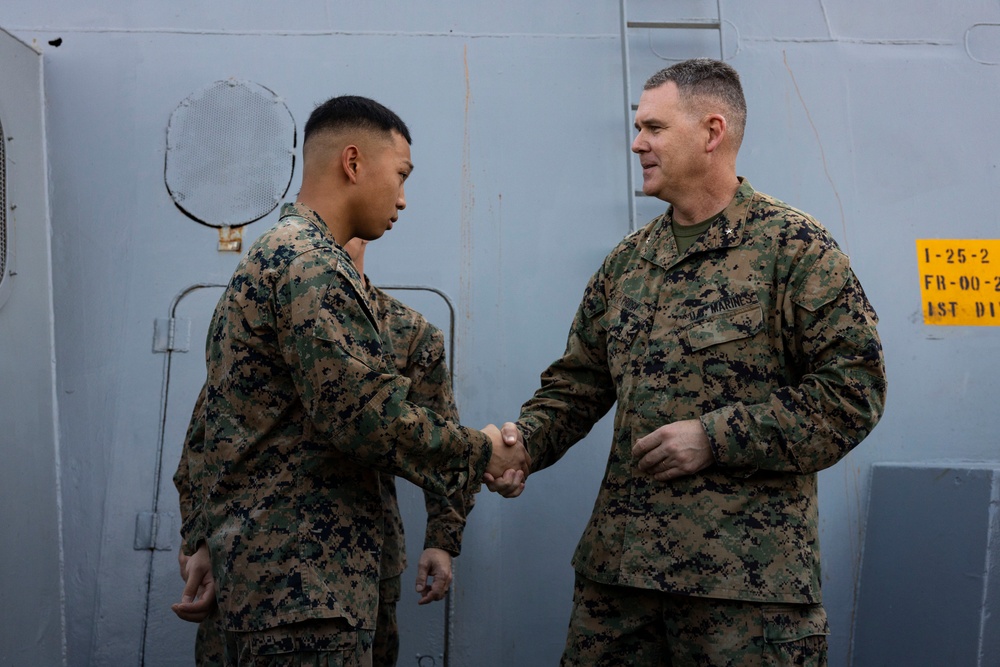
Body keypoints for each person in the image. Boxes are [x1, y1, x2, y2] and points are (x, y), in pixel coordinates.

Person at [489, 58, 887, 665]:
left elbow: (852, 394)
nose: (636, 142)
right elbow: (578, 383)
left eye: (653, 128)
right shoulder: (627, 263)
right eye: (638, 127)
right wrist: (525, 445)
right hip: (618, 587)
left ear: (711, 131)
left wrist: (715, 438)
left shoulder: (795, 250)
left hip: (743, 593)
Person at [171, 94, 530, 666]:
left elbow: (215, 431)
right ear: (354, 163)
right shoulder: (309, 266)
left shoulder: (270, 261)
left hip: (282, 589)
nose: (404, 199)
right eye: (401, 175)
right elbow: (365, 419)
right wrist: (483, 450)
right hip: (304, 593)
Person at [173, 237, 476, 667]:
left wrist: (442, 540)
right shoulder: (263, 312)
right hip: (249, 562)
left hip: (361, 567)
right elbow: (206, 440)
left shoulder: (408, 332)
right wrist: (199, 538)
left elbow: (438, 440)